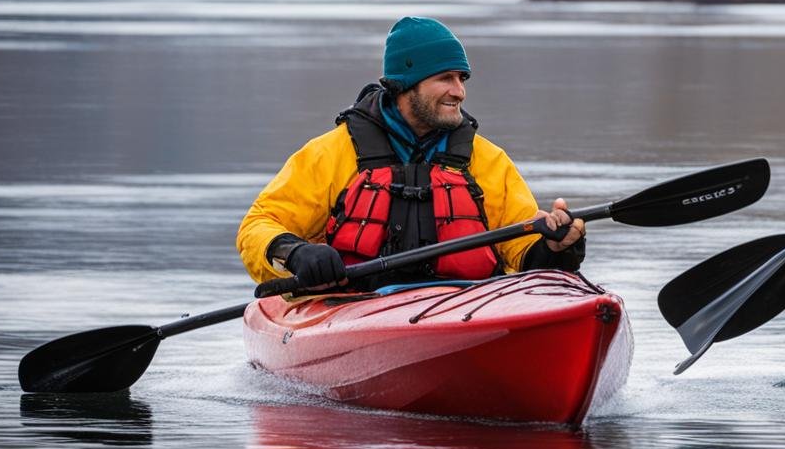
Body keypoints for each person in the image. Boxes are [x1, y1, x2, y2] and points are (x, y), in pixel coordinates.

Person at [238, 16, 585, 290]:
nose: (459, 92)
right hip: (352, 308)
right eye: (445, 78)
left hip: (465, 306)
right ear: (405, 85)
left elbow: (520, 246)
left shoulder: (487, 160)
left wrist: (554, 248)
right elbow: (258, 226)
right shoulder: (331, 153)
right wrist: (295, 252)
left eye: (462, 78)